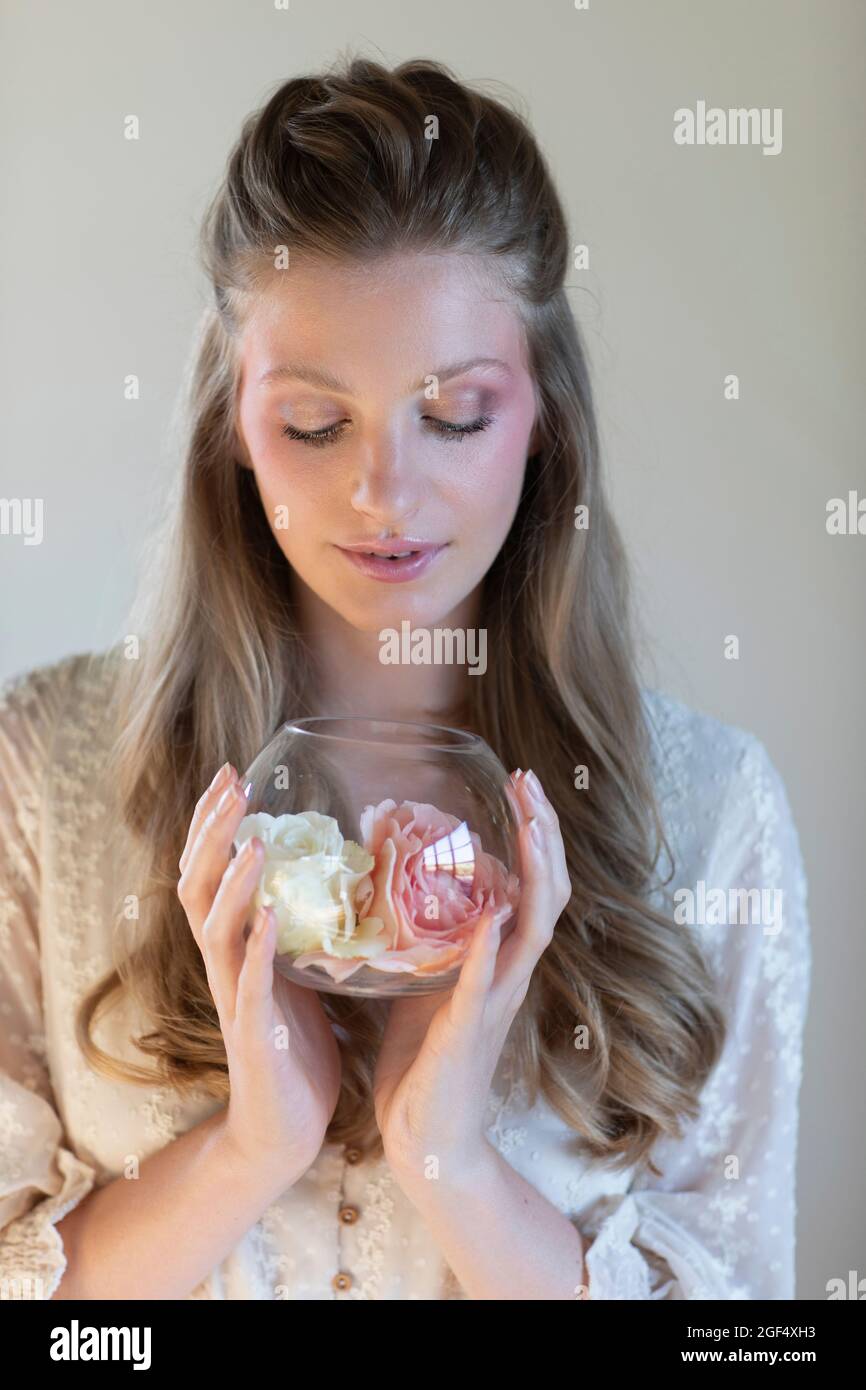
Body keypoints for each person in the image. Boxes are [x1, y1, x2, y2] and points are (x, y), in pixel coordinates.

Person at [0, 55, 810, 1301]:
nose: (383, 492)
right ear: (231, 420)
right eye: (315, 426)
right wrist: (248, 1149)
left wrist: (453, 1164)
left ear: (542, 415)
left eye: (455, 414)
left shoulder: (708, 815)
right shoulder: (41, 774)